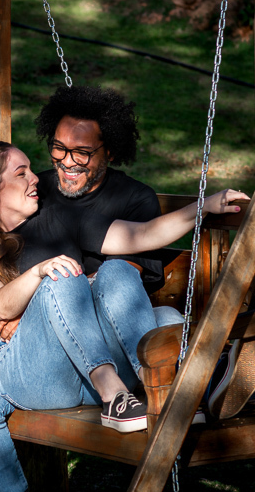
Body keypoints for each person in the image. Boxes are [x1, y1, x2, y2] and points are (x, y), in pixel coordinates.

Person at [0, 142, 247, 492]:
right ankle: (183, 374)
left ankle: (177, 381)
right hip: (39, 374)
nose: (36, 179)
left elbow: (139, 235)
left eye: (31, 169)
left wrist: (203, 206)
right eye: (21, 173)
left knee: (118, 272)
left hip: (90, 361)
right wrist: (40, 273)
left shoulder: (59, 215)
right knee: (61, 281)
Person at [34, 84, 180, 393]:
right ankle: (201, 379)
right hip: (48, 334)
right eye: (58, 147)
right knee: (166, 319)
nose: (67, 161)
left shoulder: (135, 198)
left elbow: (121, 282)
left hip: (109, 338)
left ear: (110, 151)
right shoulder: (36, 192)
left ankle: (186, 389)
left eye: (82, 152)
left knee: (158, 310)